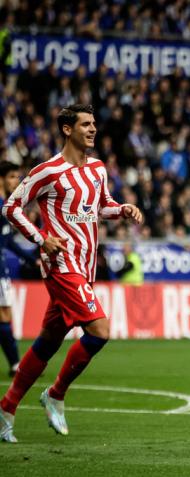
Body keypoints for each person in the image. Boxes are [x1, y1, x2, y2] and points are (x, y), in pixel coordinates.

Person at [0, 104, 143, 444]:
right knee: (100, 330)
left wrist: (122, 209)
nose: (93, 130)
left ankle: (6, 408)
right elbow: (11, 207)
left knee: (47, 344)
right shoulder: (47, 171)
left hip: (86, 266)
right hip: (62, 266)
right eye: (85, 124)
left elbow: (101, 205)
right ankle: (56, 393)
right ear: (67, 129)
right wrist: (41, 238)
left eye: (94, 124)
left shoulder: (97, 169)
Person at [0, 161, 39, 377]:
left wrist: (31, 259)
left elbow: (10, 242)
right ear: (2, 178)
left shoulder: (5, 205)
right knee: (3, 314)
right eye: (13, 177)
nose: (16, 181)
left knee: (5, 314)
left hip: (2, 268)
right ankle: (16, 364)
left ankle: (16, 364)